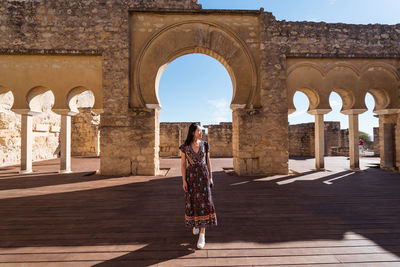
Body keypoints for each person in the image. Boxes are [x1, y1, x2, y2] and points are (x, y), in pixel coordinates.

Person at [179, 123, 217, 249]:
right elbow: (183, 165)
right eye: (199, 130)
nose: (201, 132)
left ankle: (202, 234)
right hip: (191, 178)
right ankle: (196, 223)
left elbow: (208, 162)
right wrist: (184, 180)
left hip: (204, 177)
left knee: (205, 203)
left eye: (201, 130)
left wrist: (211, 176)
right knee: (194, 202)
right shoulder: (185, 147)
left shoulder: (205, 145)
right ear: (193, 132)